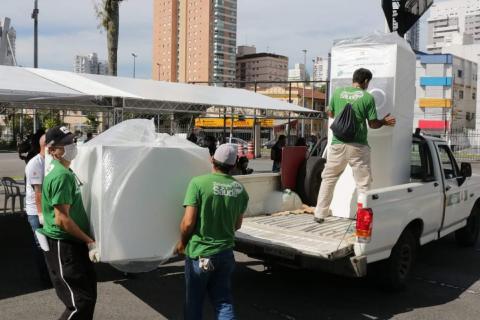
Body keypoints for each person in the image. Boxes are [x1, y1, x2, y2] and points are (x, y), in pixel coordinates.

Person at [311, 68, 396, 223]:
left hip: (337, 145)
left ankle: (320, 214)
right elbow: (373, 124)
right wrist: (384, 121)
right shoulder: (367, 98)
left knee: (328, 178)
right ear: (365, 81)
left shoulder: (338, 93)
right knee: (363, 184)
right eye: (368, 82)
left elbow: (329, 113)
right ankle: (362, 218)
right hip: (358, 146)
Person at [177, 143, 249, 320]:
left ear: (212, 160)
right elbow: (237, 225)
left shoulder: (198, 183)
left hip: (202, 256)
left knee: (194, 300)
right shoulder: (240, 190)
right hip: (225, 255)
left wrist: (182, 244)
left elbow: (187, 223)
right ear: (233, 166)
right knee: (223, 300)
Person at [38, 126, 99, 320]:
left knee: (87, 297)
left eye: (72, 141)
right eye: (66, 143)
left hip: (72, 244)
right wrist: (89, 240)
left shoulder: (65, 171)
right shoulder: (62, 176)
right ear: (53, 149)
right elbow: (62, 219)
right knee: (79, 303)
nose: (72, 146)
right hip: (65, 246)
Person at [24, 134, 51, 285]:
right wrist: (41, 214)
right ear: (46, 146)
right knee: (40, 244)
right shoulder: (35, 163)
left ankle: (51, 273)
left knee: (48, 243)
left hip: (47, 209)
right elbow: (38, 192)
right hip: (36, 211)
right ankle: (44, 278)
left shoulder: (49, 161)